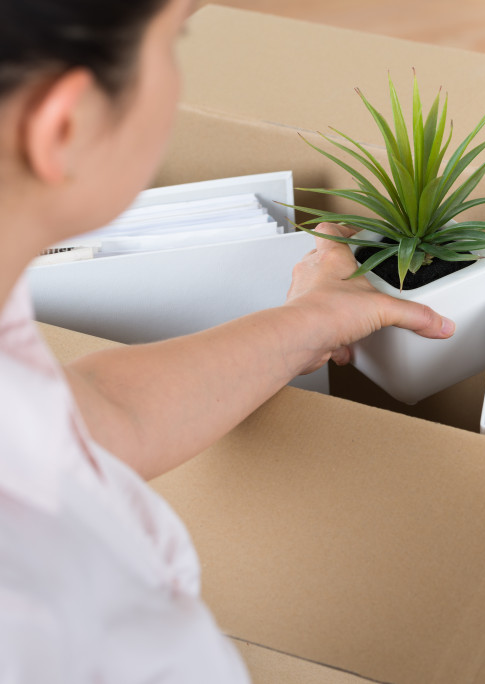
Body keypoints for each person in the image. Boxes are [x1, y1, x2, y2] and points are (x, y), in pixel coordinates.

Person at [0, 0, 455, 680]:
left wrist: (308, 324)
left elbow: (86, 418)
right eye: (174, 38)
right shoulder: (37, 620)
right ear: (67, 124)